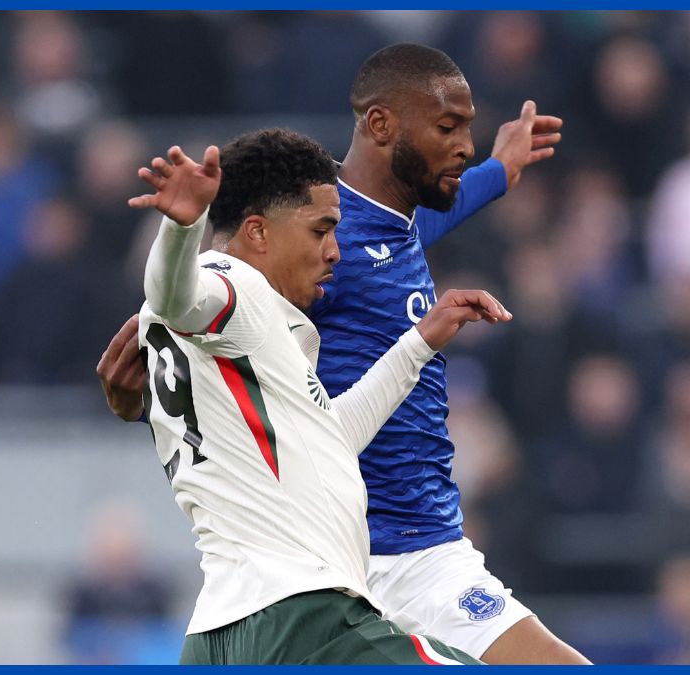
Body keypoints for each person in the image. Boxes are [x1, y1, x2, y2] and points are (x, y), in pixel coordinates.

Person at [98, 43, 589, 664]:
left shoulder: (383, 226)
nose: (465, 146)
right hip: (354, 565)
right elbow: (183, 305)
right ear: (381, 124)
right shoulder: (285, 253)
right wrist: (179, 236)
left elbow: (326, 422)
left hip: (363, 561)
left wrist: (499, 172)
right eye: (448, 128)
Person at [130, 127, 511, 664]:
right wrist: (182, 226)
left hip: (221, 633)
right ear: (258, 232)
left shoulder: (252, 338)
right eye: (321, 230)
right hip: (301, 617)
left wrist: (417, 344)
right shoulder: (232, 287)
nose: (335, 250)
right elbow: (176, 296)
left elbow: (327, 439)